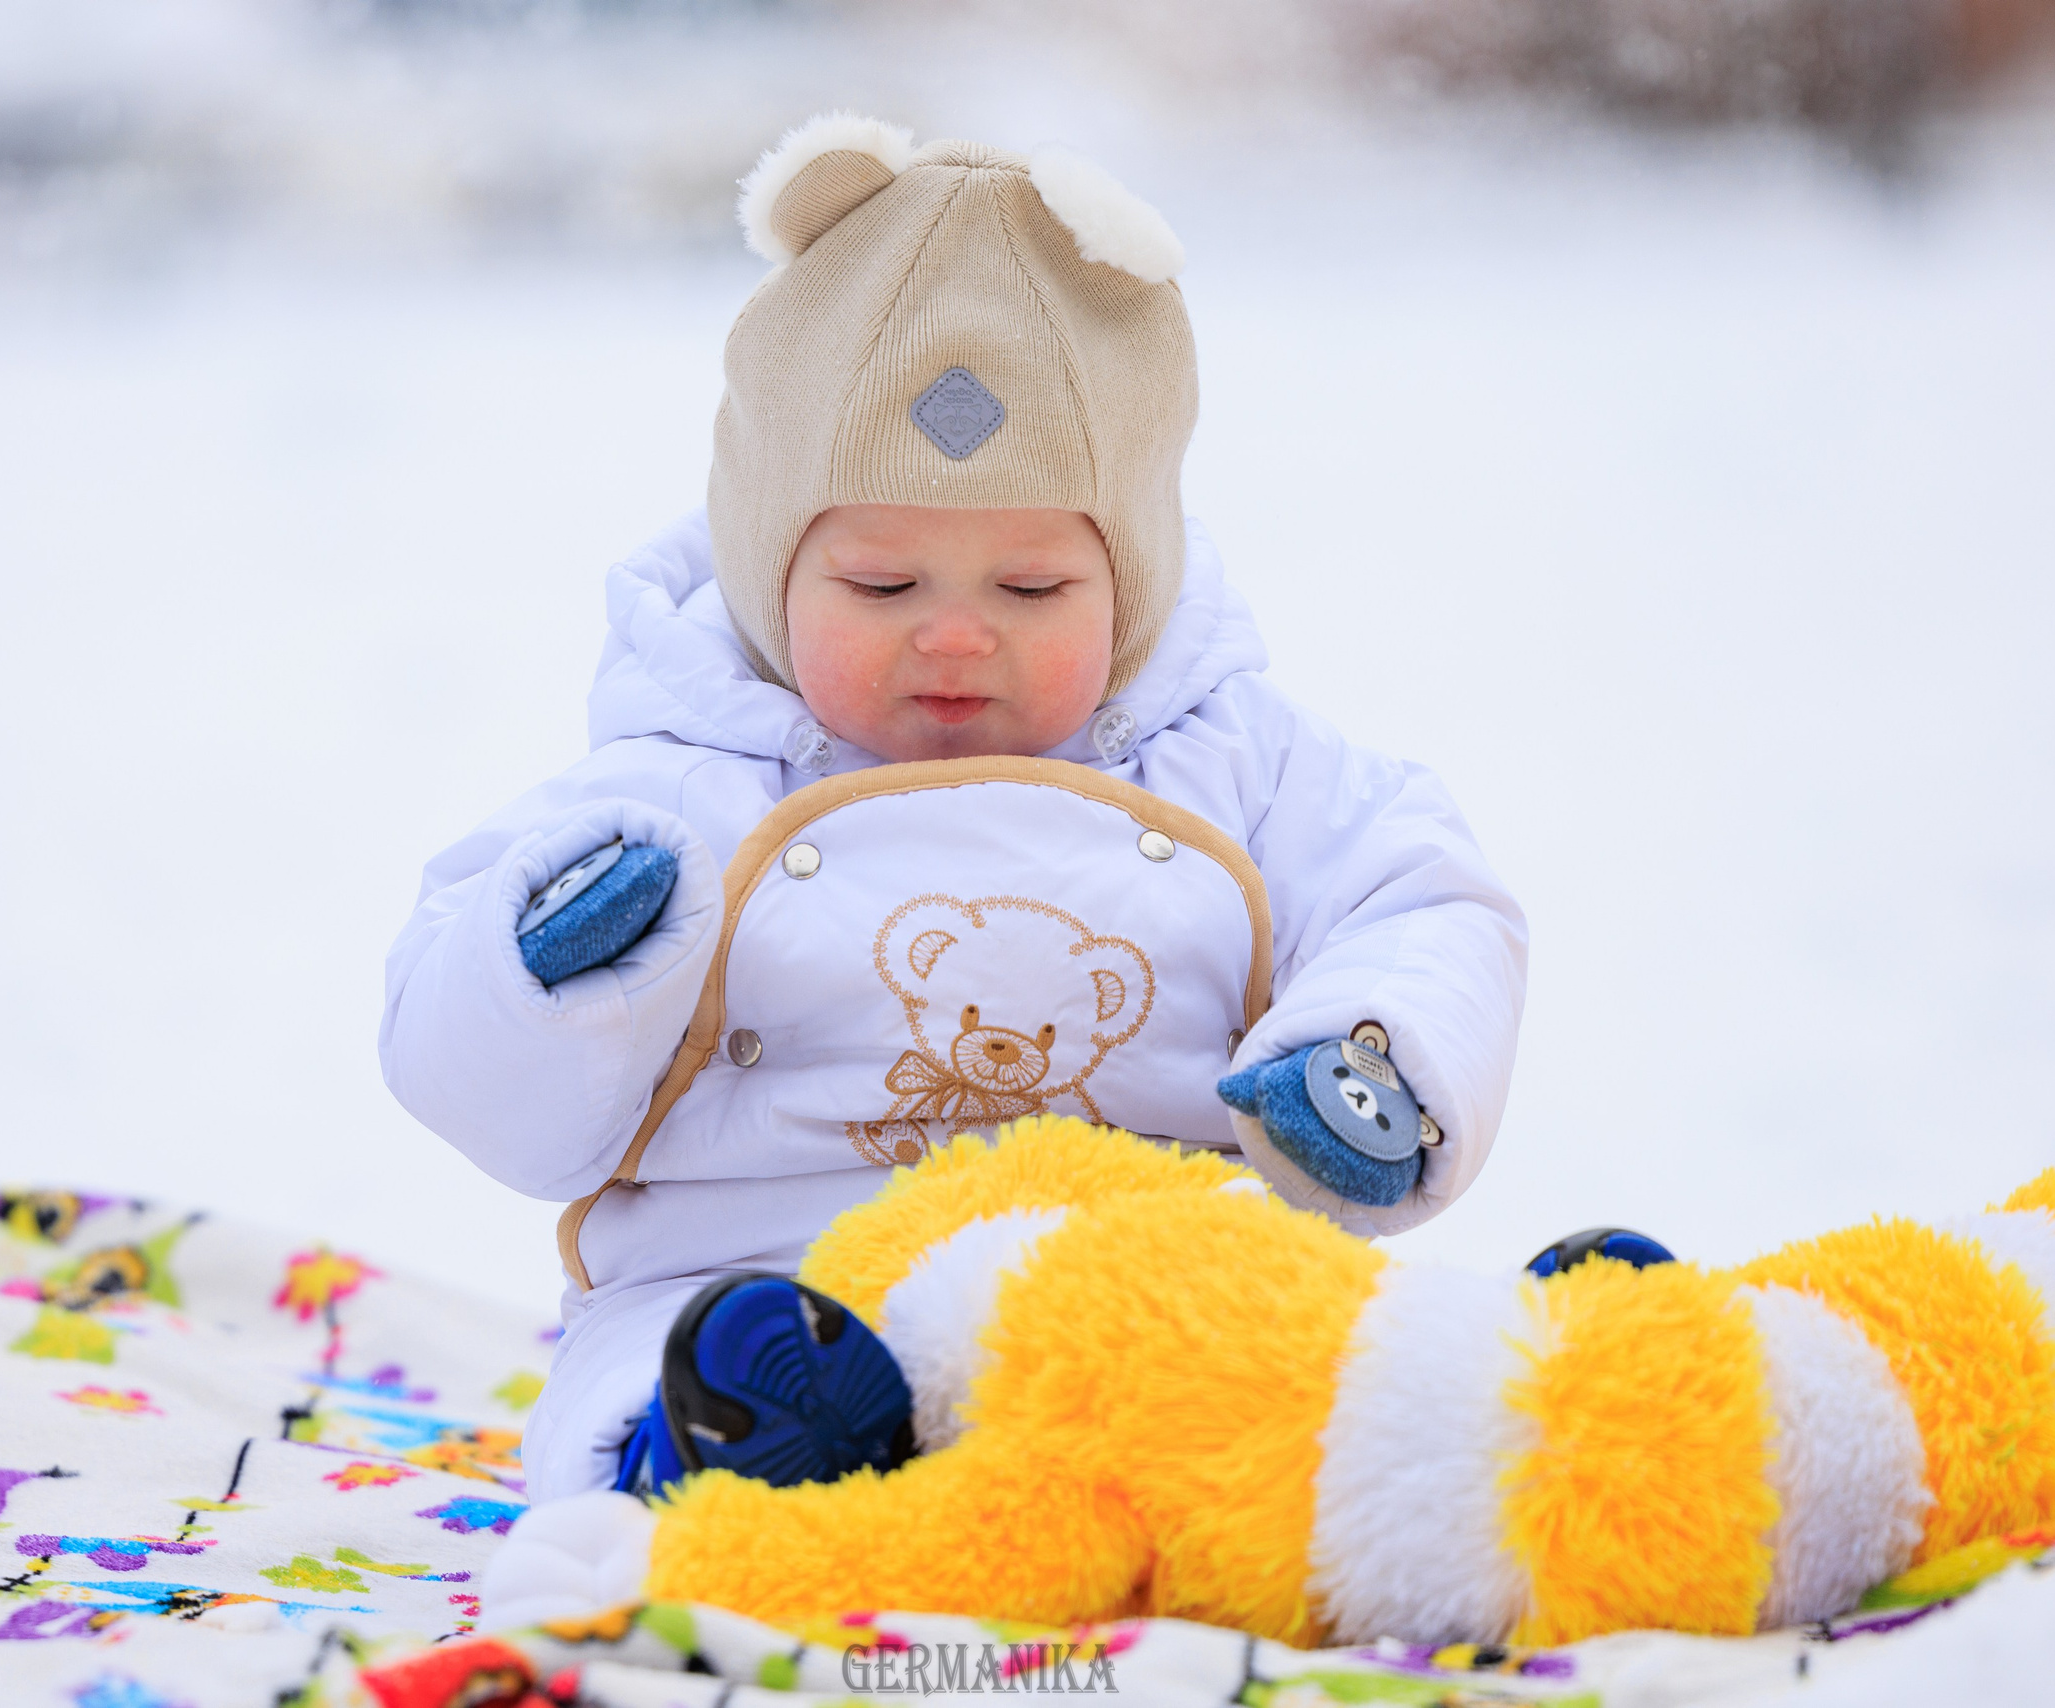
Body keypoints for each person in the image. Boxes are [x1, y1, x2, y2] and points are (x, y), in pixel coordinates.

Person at [380, 116, 1531, 1503]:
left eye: (1032, 589)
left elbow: (1421, 897)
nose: (955, 636)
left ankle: (1537, 1408)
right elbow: (468, 1076)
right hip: (770, 1287)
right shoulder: (681, 783)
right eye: (883, 586)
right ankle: (704, 1451)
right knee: (659, 1375)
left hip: (1142, 1281)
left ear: (1135, 581)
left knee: (1314, 1398)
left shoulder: (1234, 763)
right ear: (766, 570)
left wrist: (1372, 1057)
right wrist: (542, 978)